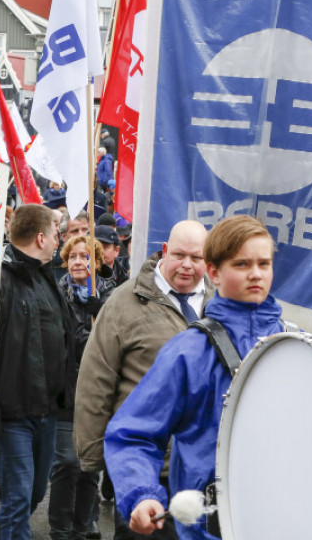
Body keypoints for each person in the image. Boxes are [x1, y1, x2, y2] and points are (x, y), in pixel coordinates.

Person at [104, 216, 286, 540]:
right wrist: (141, 492)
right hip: (208, 529)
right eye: (242, 264)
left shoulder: (294, 346)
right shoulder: (188, 352)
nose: (256, 273)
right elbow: (134, 433)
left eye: (264, 263)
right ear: (214, 272)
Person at [74, 220, 212, 540]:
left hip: (201, 472)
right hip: (145, 467)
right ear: (164, 251)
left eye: (197, 257)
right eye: (179, 255)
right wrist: (94, 458)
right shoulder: (125, 303)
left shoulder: (219, 305)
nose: (187, 265)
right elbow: (96, 380)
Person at [0, 204, 76, 540]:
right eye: (57, 233)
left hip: (47, 412)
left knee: (30, 498)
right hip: (11, 414)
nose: (60, 240)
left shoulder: (47, 278)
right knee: (17, 502)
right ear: (42, 237)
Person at [48, 236, 114, 540]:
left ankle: (84, 522)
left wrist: (98, 310)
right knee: (66, 462)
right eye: (73, 256)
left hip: (97, 390)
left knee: (90, 462)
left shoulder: (109, 296)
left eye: (85, 257)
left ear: (96, 263)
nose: (78, 262)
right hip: (64, 388)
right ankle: (60, 527)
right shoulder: (56, 294)